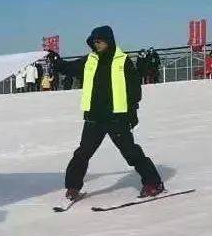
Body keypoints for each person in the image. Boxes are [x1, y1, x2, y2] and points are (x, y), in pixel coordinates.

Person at [48, 25, 164, 200]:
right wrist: (56, 62)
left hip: (117, 117)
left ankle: (153, 183)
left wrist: (132, 114)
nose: (97, 44)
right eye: (94, 42)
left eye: (100, 41)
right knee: (82, 153)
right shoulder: (90, 60)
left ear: (109, 41)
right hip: (94, 117)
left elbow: (134, 90)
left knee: (131, 152)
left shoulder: (122, 61)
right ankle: (73, 187)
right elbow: (69, 68)